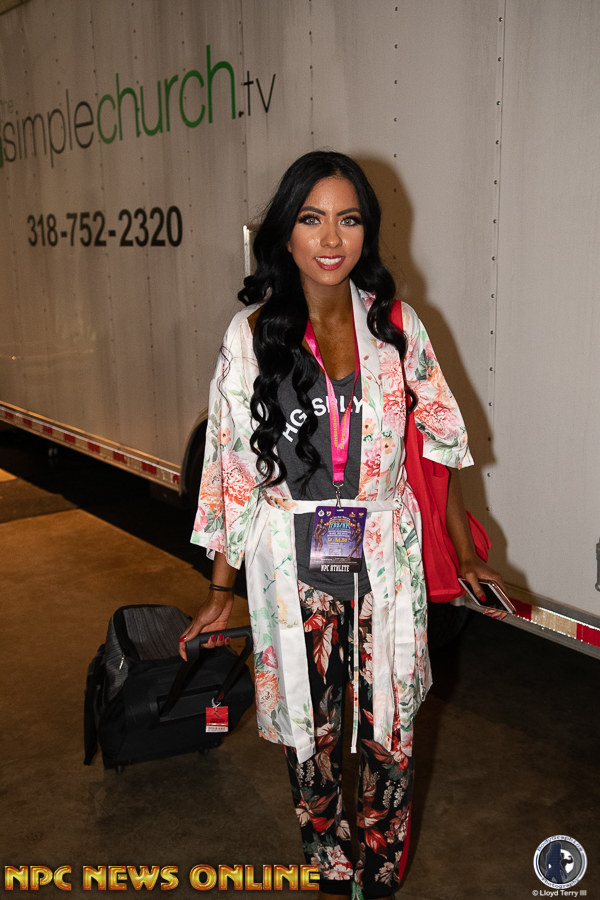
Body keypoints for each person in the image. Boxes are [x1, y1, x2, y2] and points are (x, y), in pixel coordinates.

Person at [179, 150, 505, 899]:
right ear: (285, 233)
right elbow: (229, 468)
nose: (331, 238)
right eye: (312, 218)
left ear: (367, 231)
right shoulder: (252, 336)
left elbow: (442, 441)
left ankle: (380, 876)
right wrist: (221, 590)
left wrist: (462, 549)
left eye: (348, 219)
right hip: (290, 566)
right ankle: (330, 867)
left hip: (384, 561)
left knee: (392, 727)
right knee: (310, 733)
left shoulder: (397, 327)